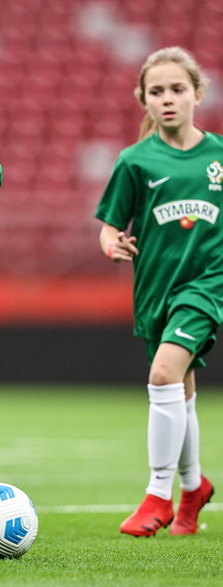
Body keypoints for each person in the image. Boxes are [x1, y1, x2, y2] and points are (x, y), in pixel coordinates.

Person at [96, 46, 217, 537]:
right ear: (143, 99)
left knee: (163, 373)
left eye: (177, 89)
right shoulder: (135, 161)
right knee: (179, 392)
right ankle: (194, 489)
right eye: (157, 91)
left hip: (208, 285)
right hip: (154, 291)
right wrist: (112, 244)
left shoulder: (220, 157)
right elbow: (109, 225)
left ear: (197, 94)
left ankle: (158, 495)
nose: (168, 99)